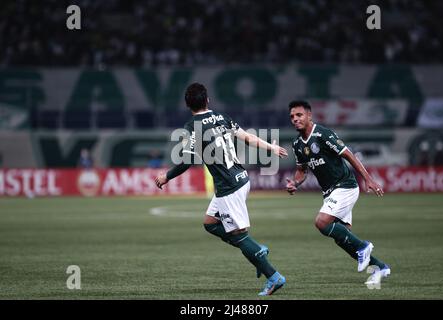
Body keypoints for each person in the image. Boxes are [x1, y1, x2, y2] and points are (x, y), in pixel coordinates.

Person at [155, 83, 288, 296]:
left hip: (229, 187)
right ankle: (256, 250)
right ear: (207, 100)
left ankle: (273, 276)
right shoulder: (221, 117)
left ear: (187, 104)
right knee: (210, 223)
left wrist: (166, 176)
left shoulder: (192, 127)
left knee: (239, 235)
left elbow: (187, 161)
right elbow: (247, 137)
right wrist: (271, 147)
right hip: (241, 179)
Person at [285, 100, 390, 287]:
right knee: (343, 239)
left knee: (322, 222)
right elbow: (302, 170)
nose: (295, 119)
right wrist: (295, 183)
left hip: (345, 186)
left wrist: (368, 178)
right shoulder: (297, 144)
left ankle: (364, 246)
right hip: (329, 192)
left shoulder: (323, 134)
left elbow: (348, 154)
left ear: (309, 115)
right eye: (292, 116)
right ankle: (380, 267)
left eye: (299, 115)